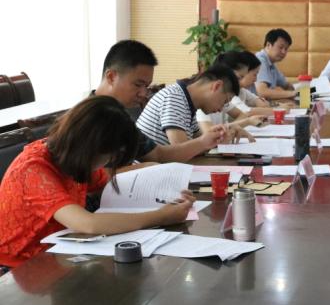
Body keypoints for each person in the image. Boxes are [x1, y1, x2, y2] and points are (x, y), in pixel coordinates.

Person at [0, 96, 192, 270]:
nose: (110, 162)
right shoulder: (33, 170)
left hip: (60, 251)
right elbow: (87, 224)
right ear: (90, 148)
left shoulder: (71, 155)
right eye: (110, 156)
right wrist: (161, 216)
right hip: (21, 268)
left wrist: (165, 189)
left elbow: (108, 181)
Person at [93, 40, 227, 163]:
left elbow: (158, 154)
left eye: (146, 86)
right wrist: (146, 168)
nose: (143, 93)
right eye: (138, 84)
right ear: (111, 77)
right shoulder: (89, 118)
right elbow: (96, 176)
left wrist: (205, 141)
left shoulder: (122, 118)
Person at [137, 63, 240, 146]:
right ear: (216, 86)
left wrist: (223, 134)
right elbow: (180, 149)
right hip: (145, 165)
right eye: (224, 101)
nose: (221, 109)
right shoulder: (174, 97)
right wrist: (214, 141)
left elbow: (197, 141)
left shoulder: (188, 103)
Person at [196, 51, 269, 134]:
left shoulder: (223, 96)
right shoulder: (205, 100)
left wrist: (230, 127)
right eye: (239, 77)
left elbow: (243, 115)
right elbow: (210, 135)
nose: (238, 82)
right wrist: (246, 122)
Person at [254, 28, 296, 101]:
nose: (283, 52)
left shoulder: (271, 64)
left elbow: (287, 85)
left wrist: (296, 92)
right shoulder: (259, 60)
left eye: (286, 49)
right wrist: (292, 93)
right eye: (281, 47)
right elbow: (262, 92)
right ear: (268, 45)